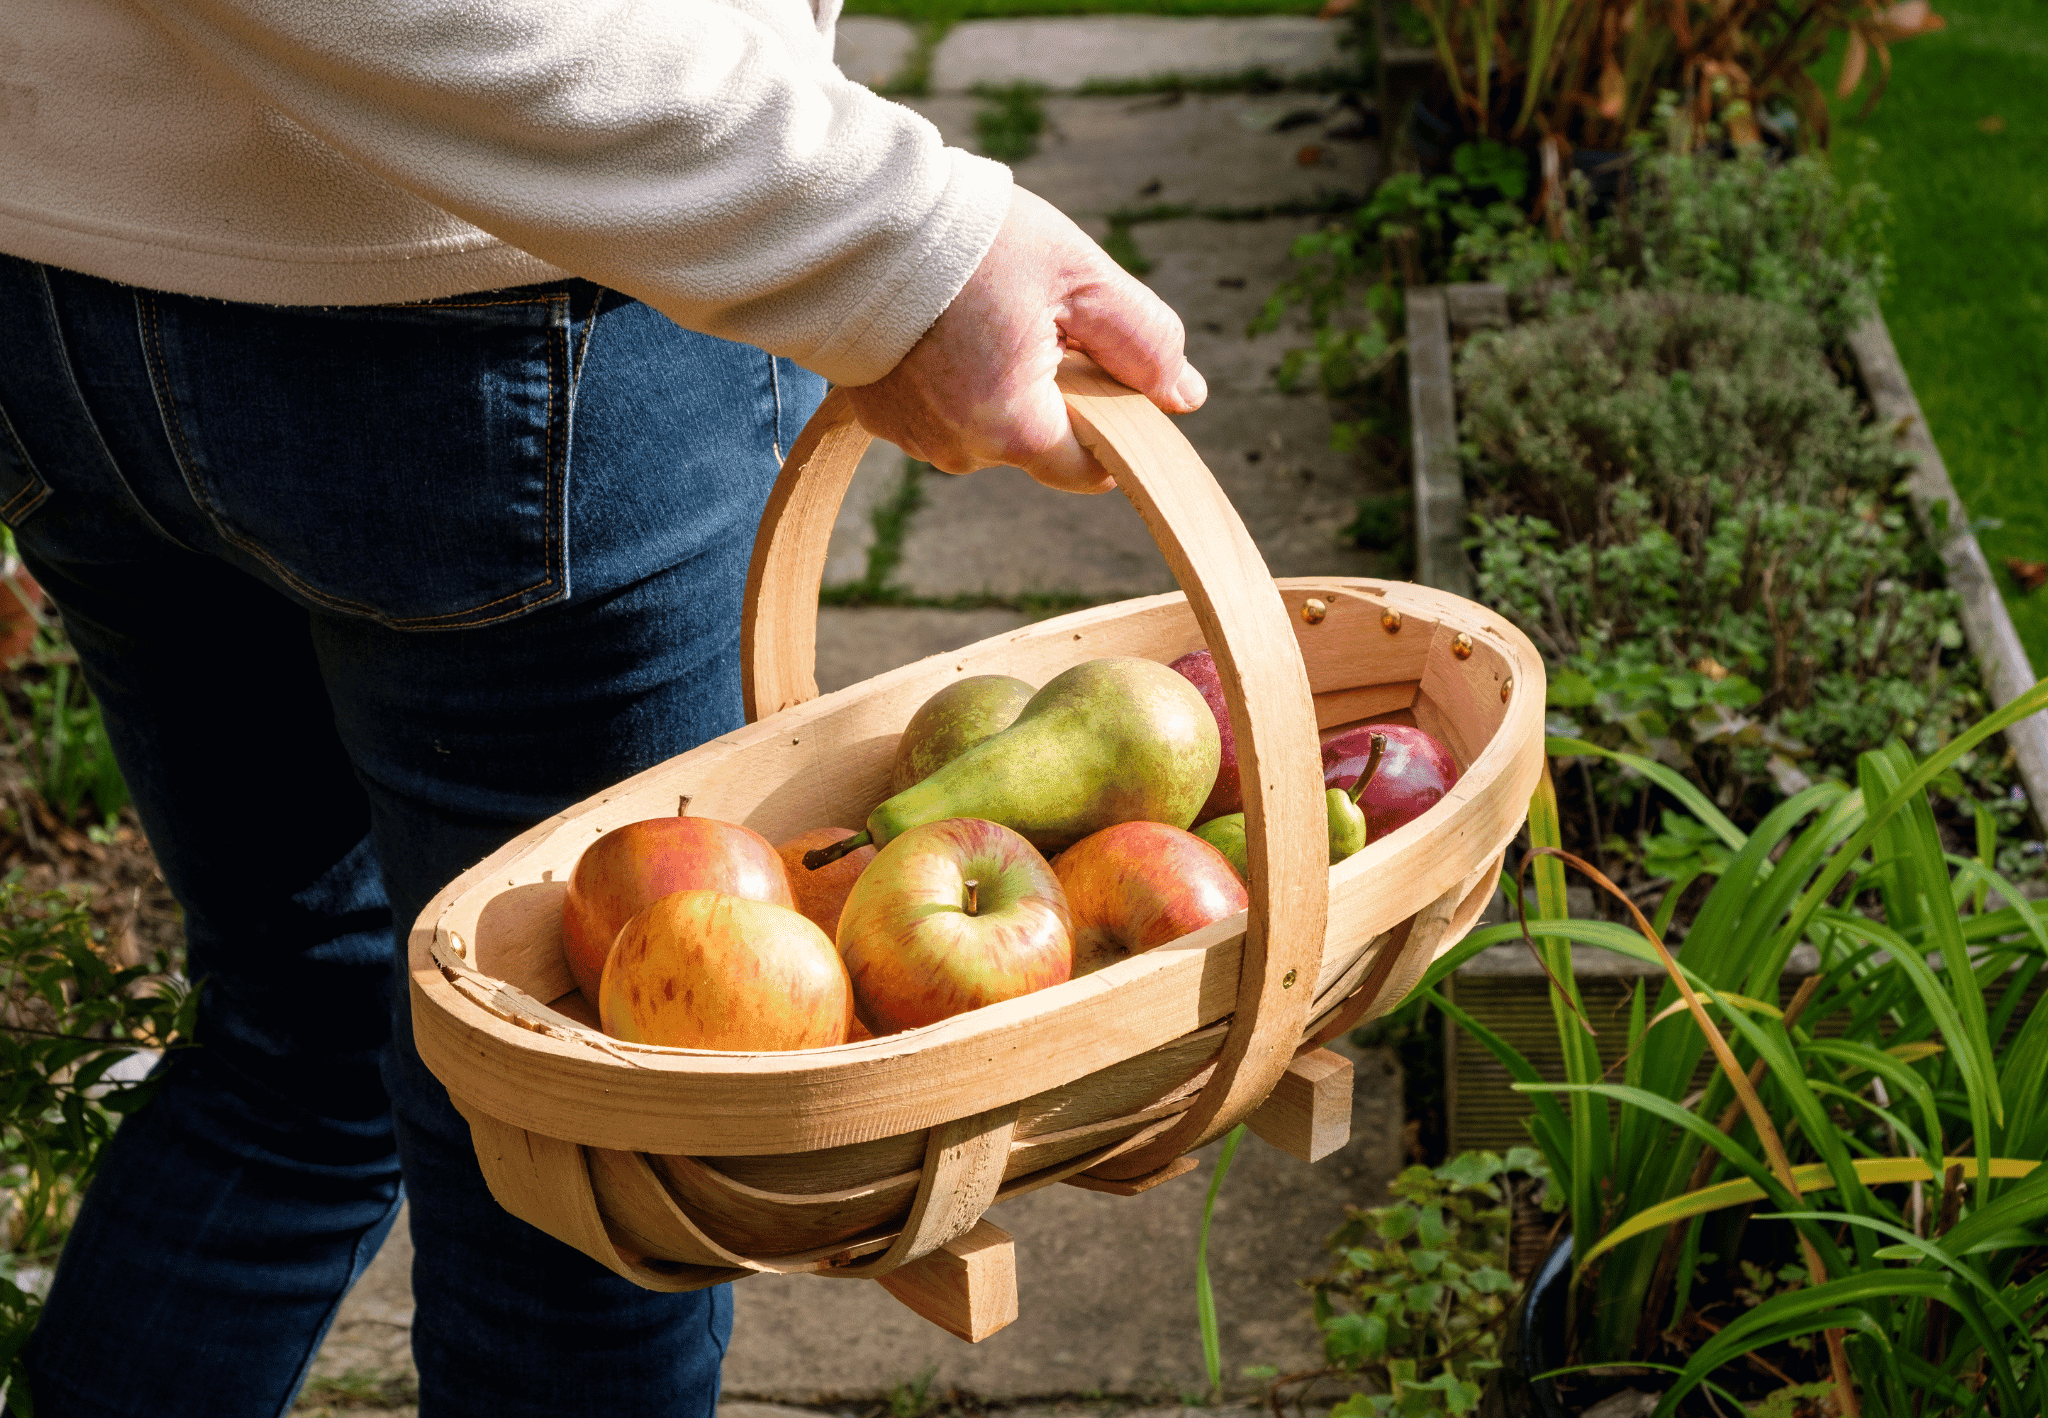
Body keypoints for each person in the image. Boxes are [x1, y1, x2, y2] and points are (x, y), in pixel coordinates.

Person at [0, 2, 1205, 1415]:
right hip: (488, 305)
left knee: (296, 1044)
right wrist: (894, 239)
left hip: (59, 282)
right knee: (591, 1165)